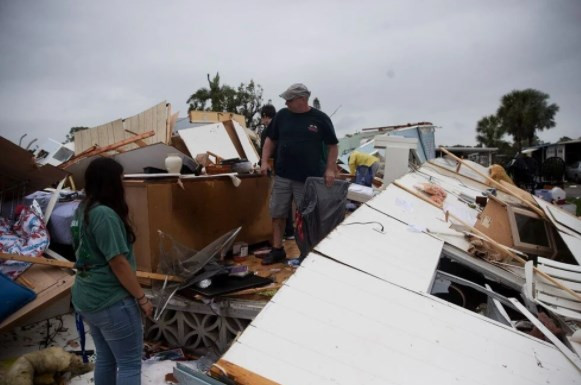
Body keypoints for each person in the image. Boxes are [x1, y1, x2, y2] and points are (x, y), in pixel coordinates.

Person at [71, 158, 152, 385]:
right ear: (110, 182)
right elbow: (118, 263)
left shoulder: (83, 209)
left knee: (106, 358)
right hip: (110, 300)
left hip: (87, 296)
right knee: (129, 362)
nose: (123, 183)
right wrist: (142, 298)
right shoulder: (104, 214)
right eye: (121, 178)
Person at [260, 83, 339, 264]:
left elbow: (332, 146)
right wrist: (264, 161)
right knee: (278, 213)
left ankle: (306, 252)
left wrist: (330, 169)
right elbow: (270, 140)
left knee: (306, 217)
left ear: (302, 99)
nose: (286, 103)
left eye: (290, 100)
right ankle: (277, 249)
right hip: (283, 175)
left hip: (308, 178)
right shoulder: (282, 116)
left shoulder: (320, 119)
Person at [259, 104, 295, 240]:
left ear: (264, 116)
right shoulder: (284, 127)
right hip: (288, 168)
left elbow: (266, 151)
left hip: (275, 169)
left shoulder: (268, 131)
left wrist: (263, 163)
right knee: (287, 201)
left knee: (278, 203)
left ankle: (278, 236)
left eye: (262, 118)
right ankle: (290, 231)